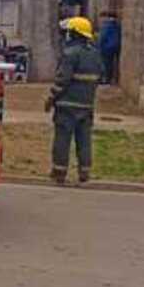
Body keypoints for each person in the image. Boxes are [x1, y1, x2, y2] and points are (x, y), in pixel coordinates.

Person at [45, 16, 103, 185]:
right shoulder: (94, 54)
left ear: (75, 33)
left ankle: (59, 173)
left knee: (62, 140)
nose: (67, 35)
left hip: (67, 106)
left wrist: (50, 98)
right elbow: (100, 76)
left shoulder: (70, 54)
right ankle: (84, 173)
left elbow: (62, 80)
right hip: (87, 105)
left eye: (69, 32)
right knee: (84, 140)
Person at [98, 13, 122, 85]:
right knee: (112, 64)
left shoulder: (106, 26)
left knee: (105, 64)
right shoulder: (117, 25)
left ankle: (106, 79)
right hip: (116, 47)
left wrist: (99, 46)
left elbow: (102, 37)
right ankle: (111, 78)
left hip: (106, 47)